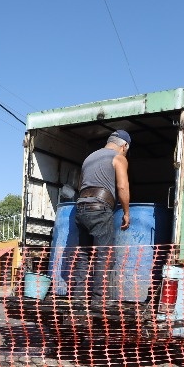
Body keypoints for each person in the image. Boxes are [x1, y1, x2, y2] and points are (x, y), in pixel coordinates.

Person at [72, 130, 131, 306]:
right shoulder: (119, 158)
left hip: (81, 208)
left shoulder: (89, 158)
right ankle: (99, 299)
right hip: (100, 208)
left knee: (83, 255)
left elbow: (80, 185)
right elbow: (122, 187)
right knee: (104, 254)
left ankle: (78, 298)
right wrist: (126, 212)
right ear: (124, 146)